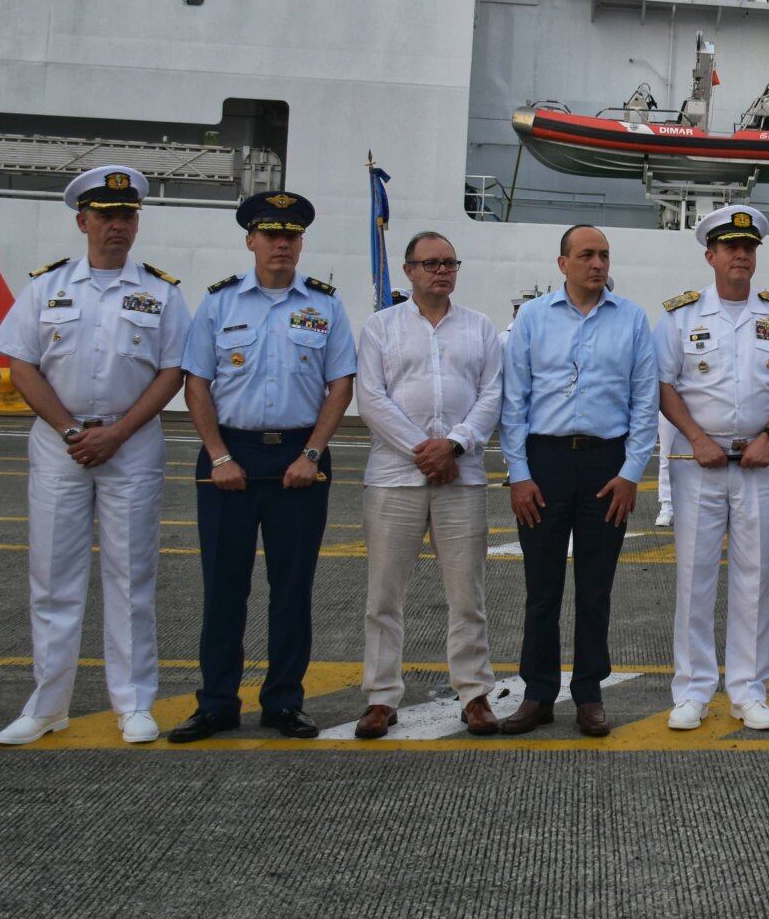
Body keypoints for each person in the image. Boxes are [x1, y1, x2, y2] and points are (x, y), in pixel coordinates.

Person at [0, 166, 187, 748]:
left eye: (126, 216)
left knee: (132, 576)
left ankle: (134, 703)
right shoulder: (46, 287)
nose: (116, 225)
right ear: (83, 222)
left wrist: (117, 433)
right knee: (53, 576)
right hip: (61, 444)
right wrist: (72, 429)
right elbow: (21, 364)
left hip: (132, 443)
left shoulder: (161, 291)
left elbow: (173, 371)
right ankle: (48, 704)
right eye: (105, 215)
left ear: (136, 224)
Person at [170, 192, 356, 743]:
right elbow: (196, 383)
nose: (281, 244)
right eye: (271, 234)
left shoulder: (325, 306)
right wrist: (219, 455)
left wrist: (312, 455)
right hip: (229, 456)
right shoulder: (219, 303)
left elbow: (340, 385)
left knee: (292, 589)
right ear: (250, 240)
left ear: (301, 242)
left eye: (291, 235)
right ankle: (216, 703)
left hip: (300, 456)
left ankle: (284, 702)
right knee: (223, 588)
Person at [654, 205, 769, 731]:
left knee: (756, 577)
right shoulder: (681, 316)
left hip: (759, 461)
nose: (741, 255)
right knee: (694, 577)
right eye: (730, 247)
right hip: (697, 461)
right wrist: (697, 437)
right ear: (711, 256)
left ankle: (748, 690)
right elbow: (663, 385)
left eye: (748, 248)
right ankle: (693, 690)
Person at [499, 225, 659, 738]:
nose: (597, 263)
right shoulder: (532, 319)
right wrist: (519, 475)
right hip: (544, 462)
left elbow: (645, 402)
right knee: (541, 588)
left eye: (604, 255)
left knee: (596, 589)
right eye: (587, 254)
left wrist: (630, 474)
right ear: (562, 263)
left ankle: (589, 694)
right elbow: (514, 402)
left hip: (605, 466)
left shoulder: (632, 319)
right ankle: (538, 693)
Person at [352, 232, 503, 740]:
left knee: (467, 594)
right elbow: (371, 399)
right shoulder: (381, 327)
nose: (442, 271)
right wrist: (425, 450)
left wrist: (454, 445)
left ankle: (474, 692)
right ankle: (380, 697)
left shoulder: (479, 328)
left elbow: (491, 395)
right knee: (383, 595)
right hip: (395, 478)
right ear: (409, 271)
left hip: (461, 476)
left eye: (449, 263)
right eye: (431, 263)